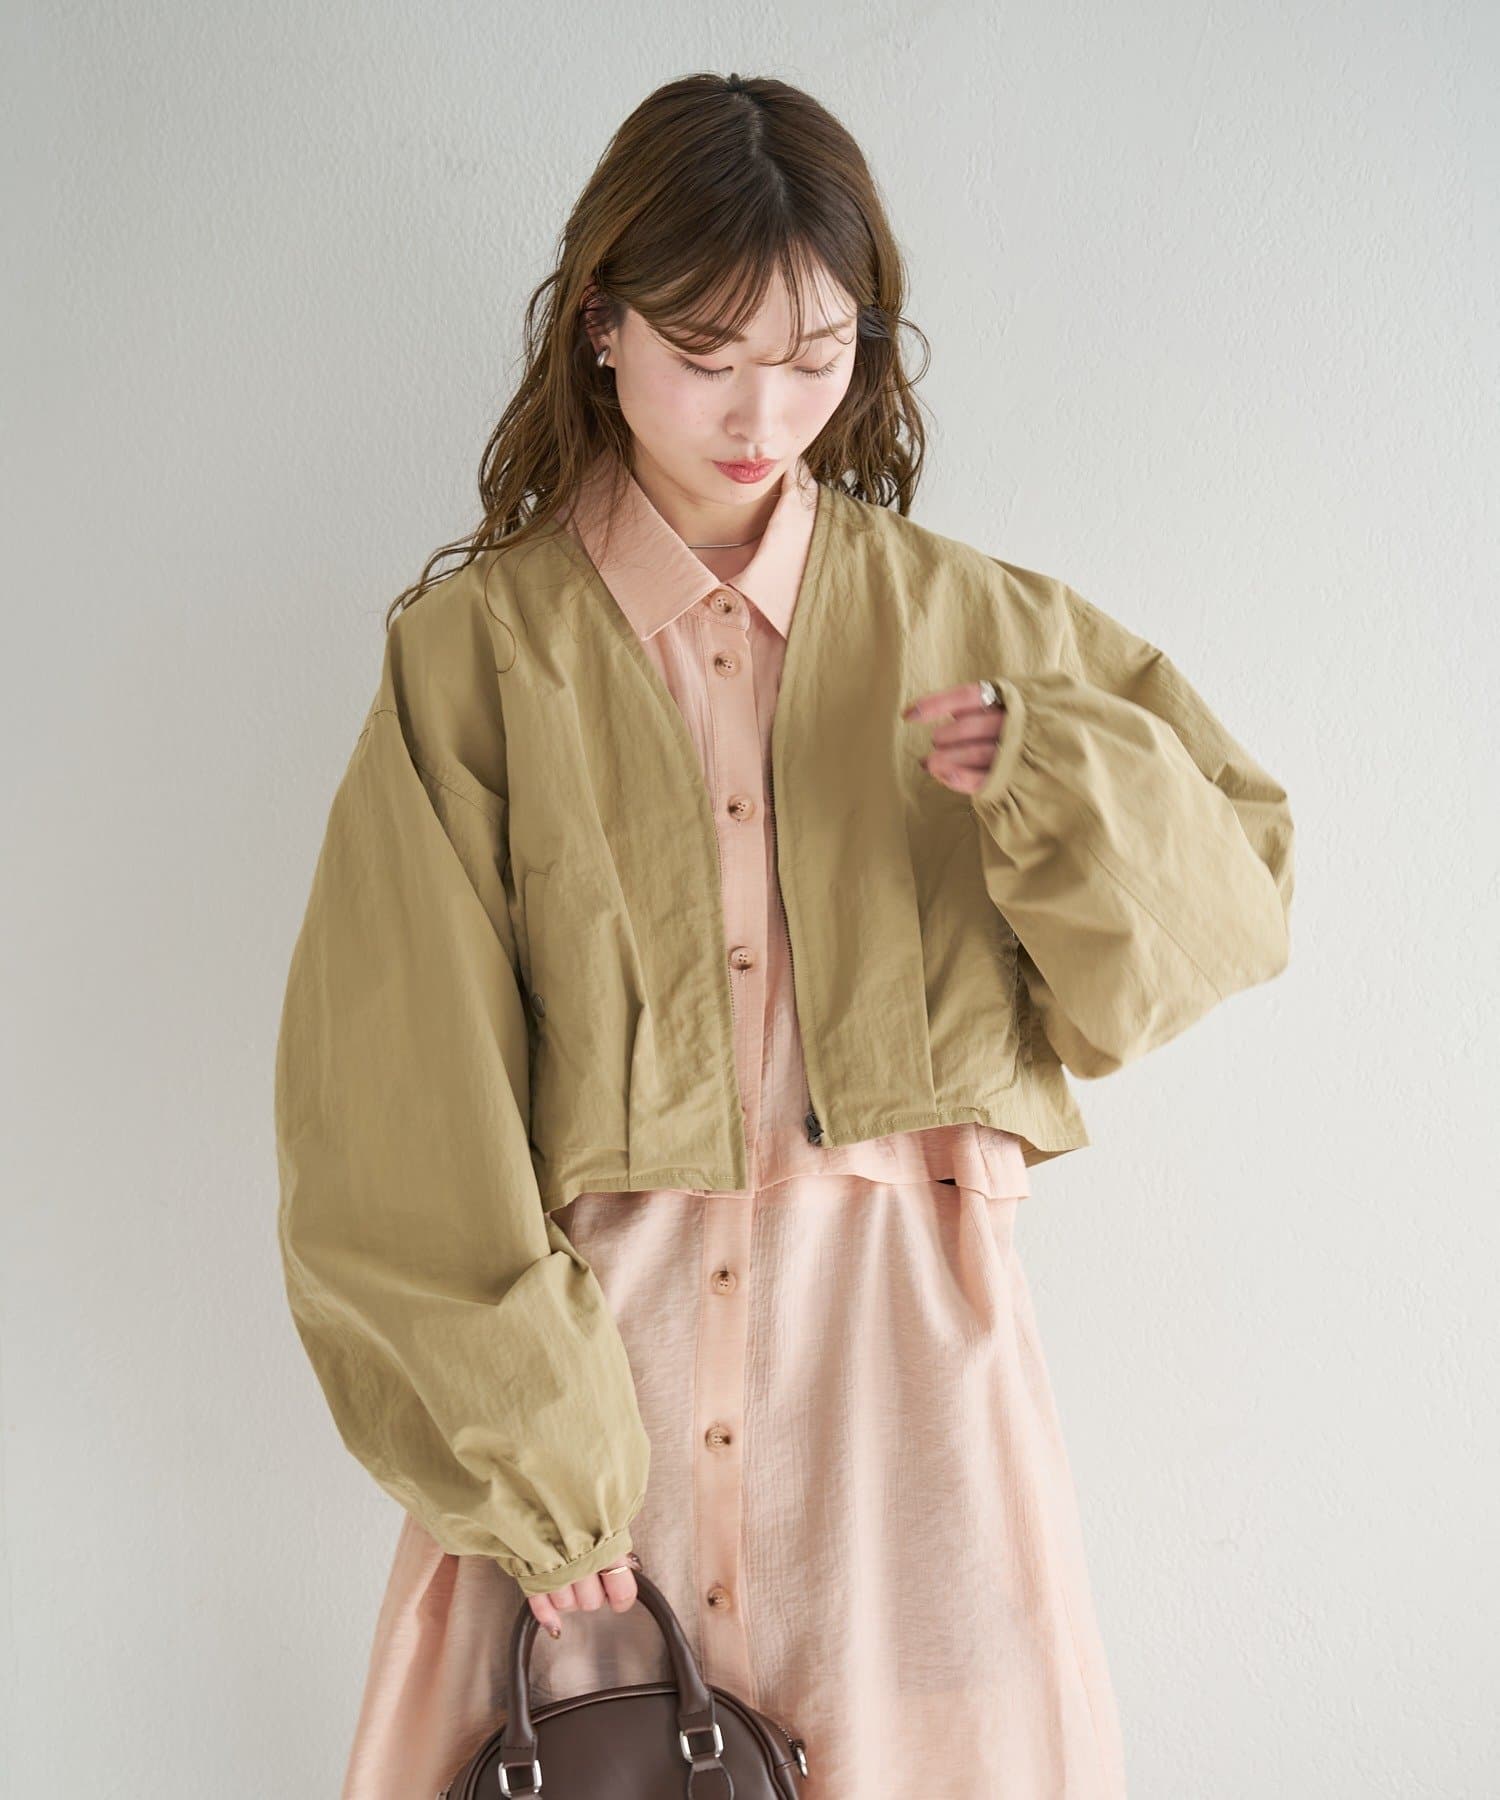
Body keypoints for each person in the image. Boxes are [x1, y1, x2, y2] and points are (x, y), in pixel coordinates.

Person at [273, 72, 1294, 1799]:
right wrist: (541, 1473)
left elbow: (1224, 910)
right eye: (708, 353)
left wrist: (1053, 777)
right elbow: (393, 1105)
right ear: (601, 326)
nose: (765, 413)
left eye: (817, 356)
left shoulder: (973, 622)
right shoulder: (475, 661)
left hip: (907, 1398)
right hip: (598, 1379)